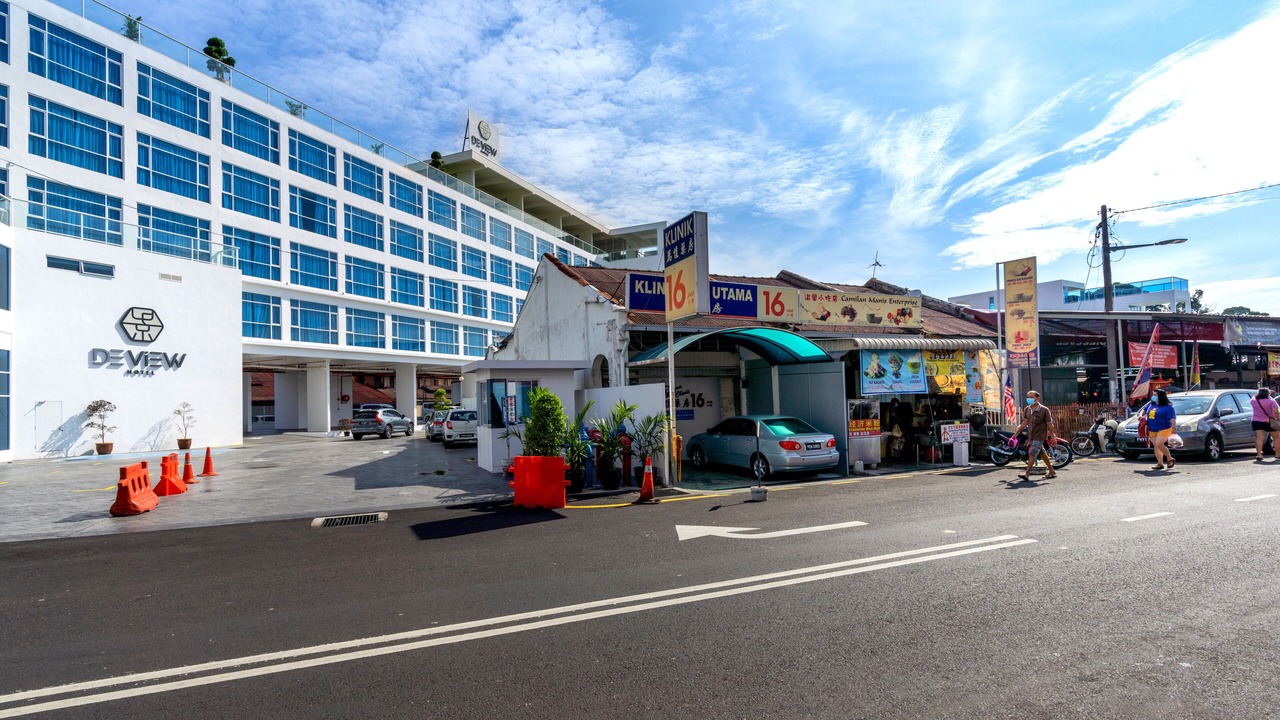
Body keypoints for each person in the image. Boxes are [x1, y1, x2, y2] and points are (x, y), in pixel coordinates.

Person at [1012, 390, 1057, 481]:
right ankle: (1052, 471)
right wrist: (1016, 433)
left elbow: (1049, 424)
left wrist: (1052, 437)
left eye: (1031, 397)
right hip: (1031, 436)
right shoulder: (1027, 409)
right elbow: (1025, 422)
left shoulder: (1044, 410)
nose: (1029, 399)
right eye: (1028, 397)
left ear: (1037, 398)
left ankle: (1027, 473)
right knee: (1042, 453)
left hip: (1040, 435)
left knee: (1032, 453)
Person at [1143, 389, 1178, 470]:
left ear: (1160, 397)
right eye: (1153, 394)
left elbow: (1172, 419)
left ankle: (1170, 458)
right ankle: (1160, 463)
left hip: (1164, 428)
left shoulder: (1168, 407)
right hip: (1152, 428)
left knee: (1159, 444)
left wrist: (1174, 428)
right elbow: (1144, 410)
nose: (1153, 396)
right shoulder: (1150, 404)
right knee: (1156, 445)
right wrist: (1141, 416)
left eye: (1155, 395)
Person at [1249, 387, 1280, 462]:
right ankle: (1277, 455)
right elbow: (1276, 412)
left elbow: (1254, 396)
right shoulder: (1271, 401)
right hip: (1270, 421)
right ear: (1268, 394)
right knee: (1277, 437)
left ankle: (1259, 454)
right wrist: (1278, 420)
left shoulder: (1253, 400)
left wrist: (1262, 392)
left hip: (1256, 421)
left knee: (1259, 437)